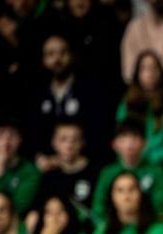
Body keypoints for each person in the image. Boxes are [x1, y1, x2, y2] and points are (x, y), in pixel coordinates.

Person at [26, 33, 106, 163]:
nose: (57, 59)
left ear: (72, 55)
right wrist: (39, 157)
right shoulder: (36, 94)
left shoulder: (90, 90)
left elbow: (98, 132)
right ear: (43, 60)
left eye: (62, 53)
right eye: (50, 54)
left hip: (83, 162)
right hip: (45, 164)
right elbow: (31, 133)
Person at [92, 121, 163, 221]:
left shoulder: (157, 171)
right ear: (114, 144)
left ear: (145, 143)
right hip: (114, 227)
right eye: (123, 139)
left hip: (150, 226)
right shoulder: (107, 173)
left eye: (134, 138)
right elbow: (99, 207)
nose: (129, 145)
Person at [117, 50, 163, 166]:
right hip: (131, 161)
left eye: (154, 68)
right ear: (137, 73)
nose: (149, 73)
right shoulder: (128, 100)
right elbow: (121, 135)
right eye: (144, 68)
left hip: (162, 161)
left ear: (161, 71)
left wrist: (152, 158)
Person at [32, 121, 99, 224]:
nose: (69, 145)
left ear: (82, 143)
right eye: (63, 139)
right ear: (54, 143)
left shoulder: (95, 172)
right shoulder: (49, 175)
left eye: (75, 140)